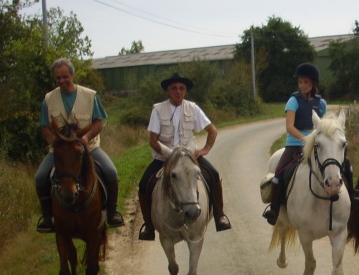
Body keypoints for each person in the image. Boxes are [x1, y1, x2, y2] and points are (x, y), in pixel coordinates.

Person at [34, 57, 124, 233]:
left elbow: (99, 122)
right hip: (59, 150)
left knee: (111, 171)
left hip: (89, 147)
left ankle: (112, 213)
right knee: (40, 177)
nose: (61, 81)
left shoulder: (90, 96)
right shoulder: (48, 99)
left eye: (65, 77)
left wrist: (87, 137)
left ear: (72, 75)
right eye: (58, 78)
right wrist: (56, 143)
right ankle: (47, 217)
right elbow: (45, 128)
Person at [137, 72, 231, 240]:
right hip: (164, 158)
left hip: (189, 157)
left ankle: (219, 215)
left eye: (181, 88)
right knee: (144, 184)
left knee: (214, 175)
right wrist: (169, 154)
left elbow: (212, 130)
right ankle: (148, 226)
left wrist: (205, 149)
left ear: (185, 91)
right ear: (168, 91)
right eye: (174, 88)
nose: (178, 91)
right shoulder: (158, 109)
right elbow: (153, 140)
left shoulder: (192, 108)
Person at [264, 63, 359, 226]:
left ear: (313, 83)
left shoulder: (320, 103)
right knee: (279, 173)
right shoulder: (293, 101)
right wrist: (305, 139)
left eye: (306, 82)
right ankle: (274, 209)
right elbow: (289, 127)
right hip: (295, 144)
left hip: (317, 144)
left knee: (347, 166)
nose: (302, 85)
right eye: (300, 82)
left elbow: (324, 126)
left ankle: (353, 198)